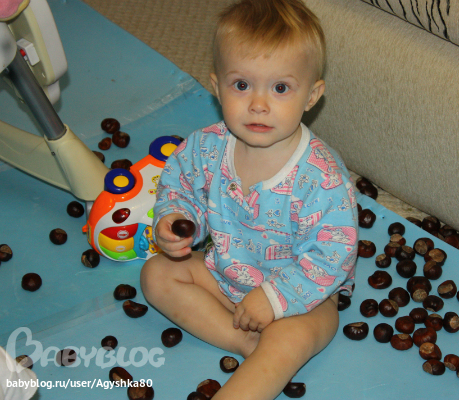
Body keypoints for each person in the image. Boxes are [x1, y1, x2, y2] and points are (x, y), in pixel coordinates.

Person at [140, 0, 358, 398]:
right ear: (216, 86)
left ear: (312, 96)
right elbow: (180, 187)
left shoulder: (322, 179)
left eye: (280, 88)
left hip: (303, 300)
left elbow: (332, 257)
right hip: (225, 275)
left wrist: (274, 299)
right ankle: (243, 341)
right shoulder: (206, 147)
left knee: (290, 340)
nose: (258, 104)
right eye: (241, 85)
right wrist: (174, 220)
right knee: (157, 273)